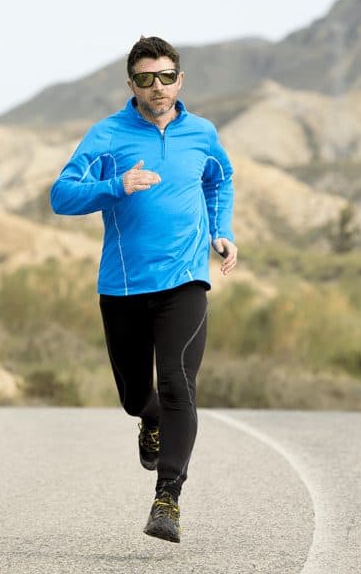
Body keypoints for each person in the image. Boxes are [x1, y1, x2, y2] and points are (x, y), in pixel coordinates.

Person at [50, 36, 237, 543]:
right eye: (146, 78)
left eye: (167, 76)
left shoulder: (201, 133)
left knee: (179, 384)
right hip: (124, 285)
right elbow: (61, 195)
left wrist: (222, 229)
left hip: (185, 280)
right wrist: (116, 186)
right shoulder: (108, 135)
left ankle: (167, 499)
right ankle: (147, 418)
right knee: (137, 395)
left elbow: (219, 180)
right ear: (131, 83)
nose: (158, 87)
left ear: (181, 79)